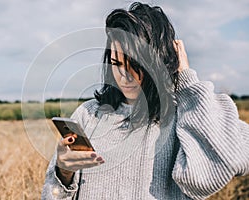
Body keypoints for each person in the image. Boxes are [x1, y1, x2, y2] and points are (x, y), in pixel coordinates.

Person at [41, 2, 249, 200]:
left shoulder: (185, 115)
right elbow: (51, 195)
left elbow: (211, 174)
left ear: (161, 60)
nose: (124, 75)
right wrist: (63, 171)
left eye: (135, 64)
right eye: (116, 62)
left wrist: (187, 84)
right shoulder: (88, 114)